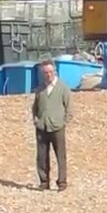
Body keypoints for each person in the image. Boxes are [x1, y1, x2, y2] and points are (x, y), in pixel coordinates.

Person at [31, 59, 72, 191]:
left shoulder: (63, 88)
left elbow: (69, 109)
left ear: (54, 71)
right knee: (42, 156)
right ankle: (44, 182)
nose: (48, 74)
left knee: (60, 156)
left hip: (57, 127)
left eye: (50, 72)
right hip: (42, 127)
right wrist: (36, 120)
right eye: (45, 72)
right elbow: (35, 107)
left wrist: (63, 122)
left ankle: (62, 183)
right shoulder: (40, 89)